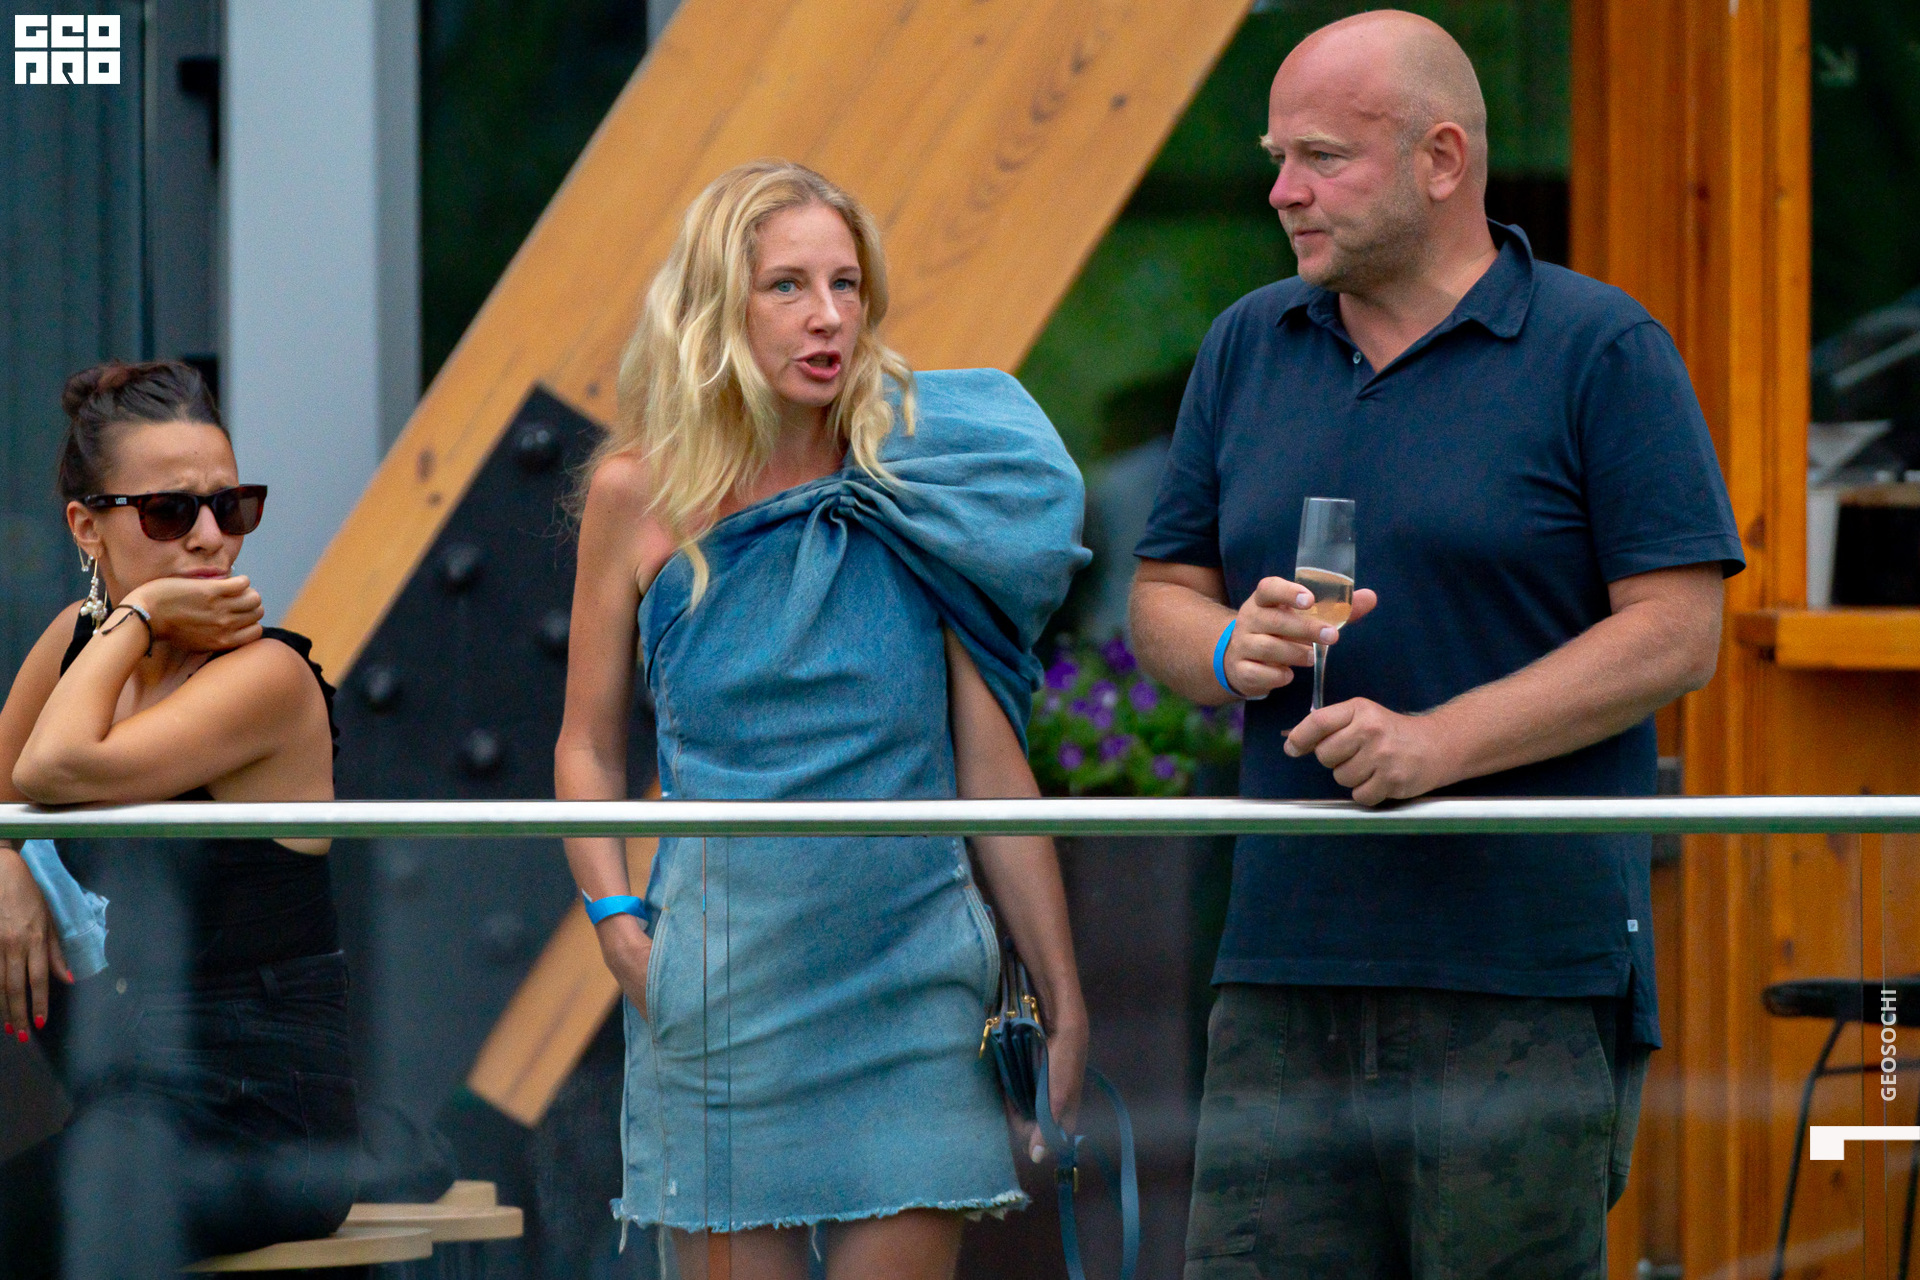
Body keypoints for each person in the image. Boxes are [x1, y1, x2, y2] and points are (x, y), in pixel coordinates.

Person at [1129, 12, 1745, 1277]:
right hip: (1282, 961)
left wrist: (1436, 744)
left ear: (1443, 158)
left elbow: (1681, 631)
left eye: (1321, 157)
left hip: (1520, 969)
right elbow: (1162, 595)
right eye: (1277, 158)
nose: (1281, 191)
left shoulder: (1600, 347)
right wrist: (1230, 643)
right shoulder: (1248, 342)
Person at [556, 160, 1092, 1279]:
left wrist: (1065, 994)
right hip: (723, 988)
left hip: (914, 987)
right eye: (788, 286)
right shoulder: (636, 495)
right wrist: (614, 919)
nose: (828, 316)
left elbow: (992, 770)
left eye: (846, 285)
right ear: (719, 307)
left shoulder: (919, 485)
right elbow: (589, 744)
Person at [0, 361, 357, 1275]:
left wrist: (146, 607)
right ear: (87, 527)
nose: (209, 537)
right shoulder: (78, 643)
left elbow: (51, 767)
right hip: (126, 1108)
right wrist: (7, 865)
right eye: (168, 512)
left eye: (230, 507)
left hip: (258, 1130)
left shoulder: (267, 679)